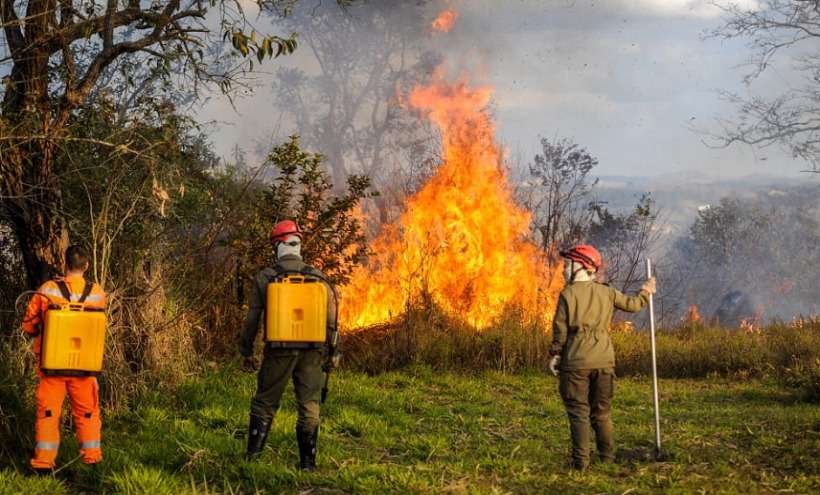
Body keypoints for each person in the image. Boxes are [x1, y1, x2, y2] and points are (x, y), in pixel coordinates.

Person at [239, 220, 340, 470]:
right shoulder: (319, 278)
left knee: (265, 401)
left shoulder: (266, 277)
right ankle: (307, 464)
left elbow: (252, 319)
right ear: (298, 245)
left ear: (278, 246)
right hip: (312, 352)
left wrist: (246, 350)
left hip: (278, 350)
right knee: (309, 404)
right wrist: (333, 352)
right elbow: (332, 322)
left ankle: (252, 458)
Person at [549, 244, 656, 471]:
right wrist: (646, 291)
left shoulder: (567, 295)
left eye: (568, 265)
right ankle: (607, 458)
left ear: (583, 267)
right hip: (604, 361)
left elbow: (560, 330)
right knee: (602, 413)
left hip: (575, 362)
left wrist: (556, 354)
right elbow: (633, 304)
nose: (564, 269)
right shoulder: (606, 292)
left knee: (579, 412)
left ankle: (581, 463)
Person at [22, 245, 107, 472]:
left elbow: (29, 325)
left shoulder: (48, 290)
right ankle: (92, 461)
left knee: (48, 415)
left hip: (52, 368)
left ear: (64, 262)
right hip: (85, 369)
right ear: (86, 265)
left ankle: (43, 464)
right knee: (88, 414)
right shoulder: (98, 293)